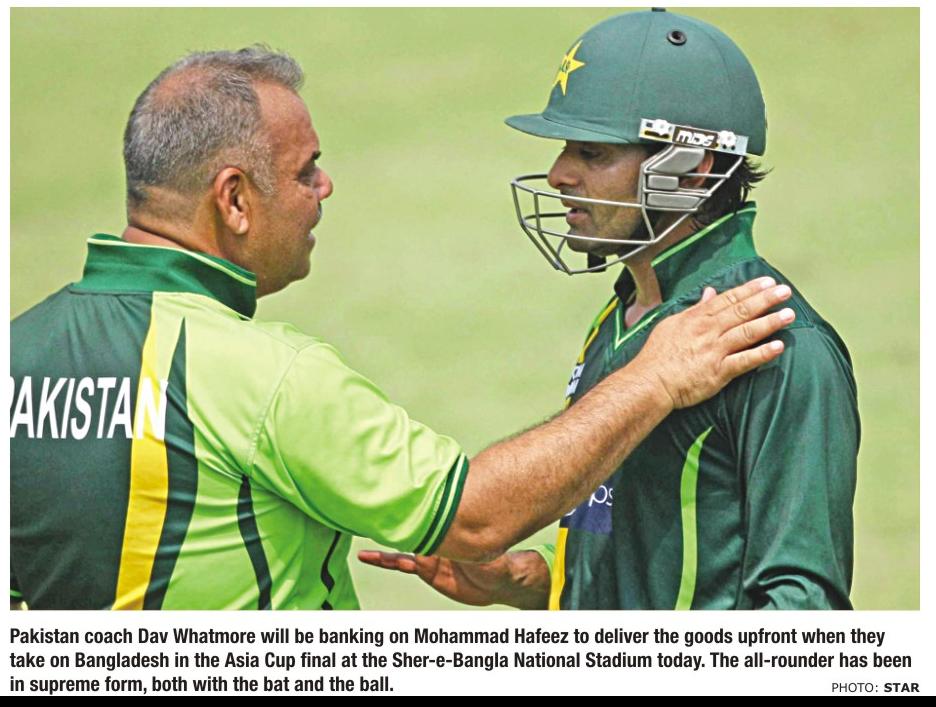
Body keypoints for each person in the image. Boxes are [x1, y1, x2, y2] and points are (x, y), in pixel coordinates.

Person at [10, 45, 794, 610]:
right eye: (305, 170)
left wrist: (535, 583)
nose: (325, 187)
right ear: (235, 199)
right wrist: (655, 374)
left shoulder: (17, 353)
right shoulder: (265, 378)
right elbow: (476, 515)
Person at [361, 9, 859, 610]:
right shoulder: (625, 314)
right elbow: (651, 545)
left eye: (592, 153)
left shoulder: (774, 342)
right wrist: (545, 585)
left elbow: (805, 613)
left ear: (690, 167)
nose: (558, 175)